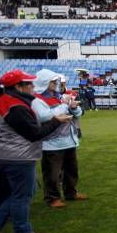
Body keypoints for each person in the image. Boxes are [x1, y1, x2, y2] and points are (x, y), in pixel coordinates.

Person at [0, 70, 71, 233]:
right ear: (18, 87)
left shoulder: (2, 101)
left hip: (3, 153)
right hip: (17, 156)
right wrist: (56, 121)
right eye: (29, 84)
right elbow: (35, 133)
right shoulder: (16, 106)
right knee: (22, 195)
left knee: (16, 193)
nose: (33, 87)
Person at [31, 69, 86, 208]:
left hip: (68, 139)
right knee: (53, 173)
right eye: (53, 81)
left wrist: (73, 107)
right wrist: (65, 105)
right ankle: (52, 197)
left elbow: (77, 114)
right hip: (51, 142)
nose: (56, 84)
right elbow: (44, 116)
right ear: (44, 83)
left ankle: (71, 192)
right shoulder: (37, 100)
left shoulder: (58, 96)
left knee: (71, 170)